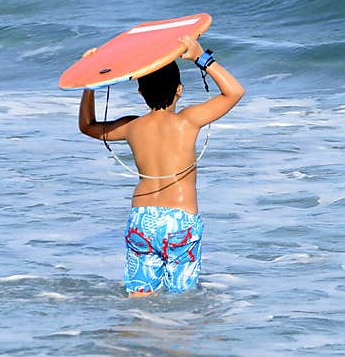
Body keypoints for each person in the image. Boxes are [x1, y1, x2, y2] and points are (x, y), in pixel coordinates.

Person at [78, 35, 245, 296]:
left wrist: (90, 83)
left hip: (141, 219)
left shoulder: (132, 126)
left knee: (140, 297)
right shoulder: (187, 121)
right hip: (179, 220)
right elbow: (235, 91)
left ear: (140, 91)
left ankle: (139, 333)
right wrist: (202, 58)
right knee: (181, 300)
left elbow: (87, 126)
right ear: (179, 89)